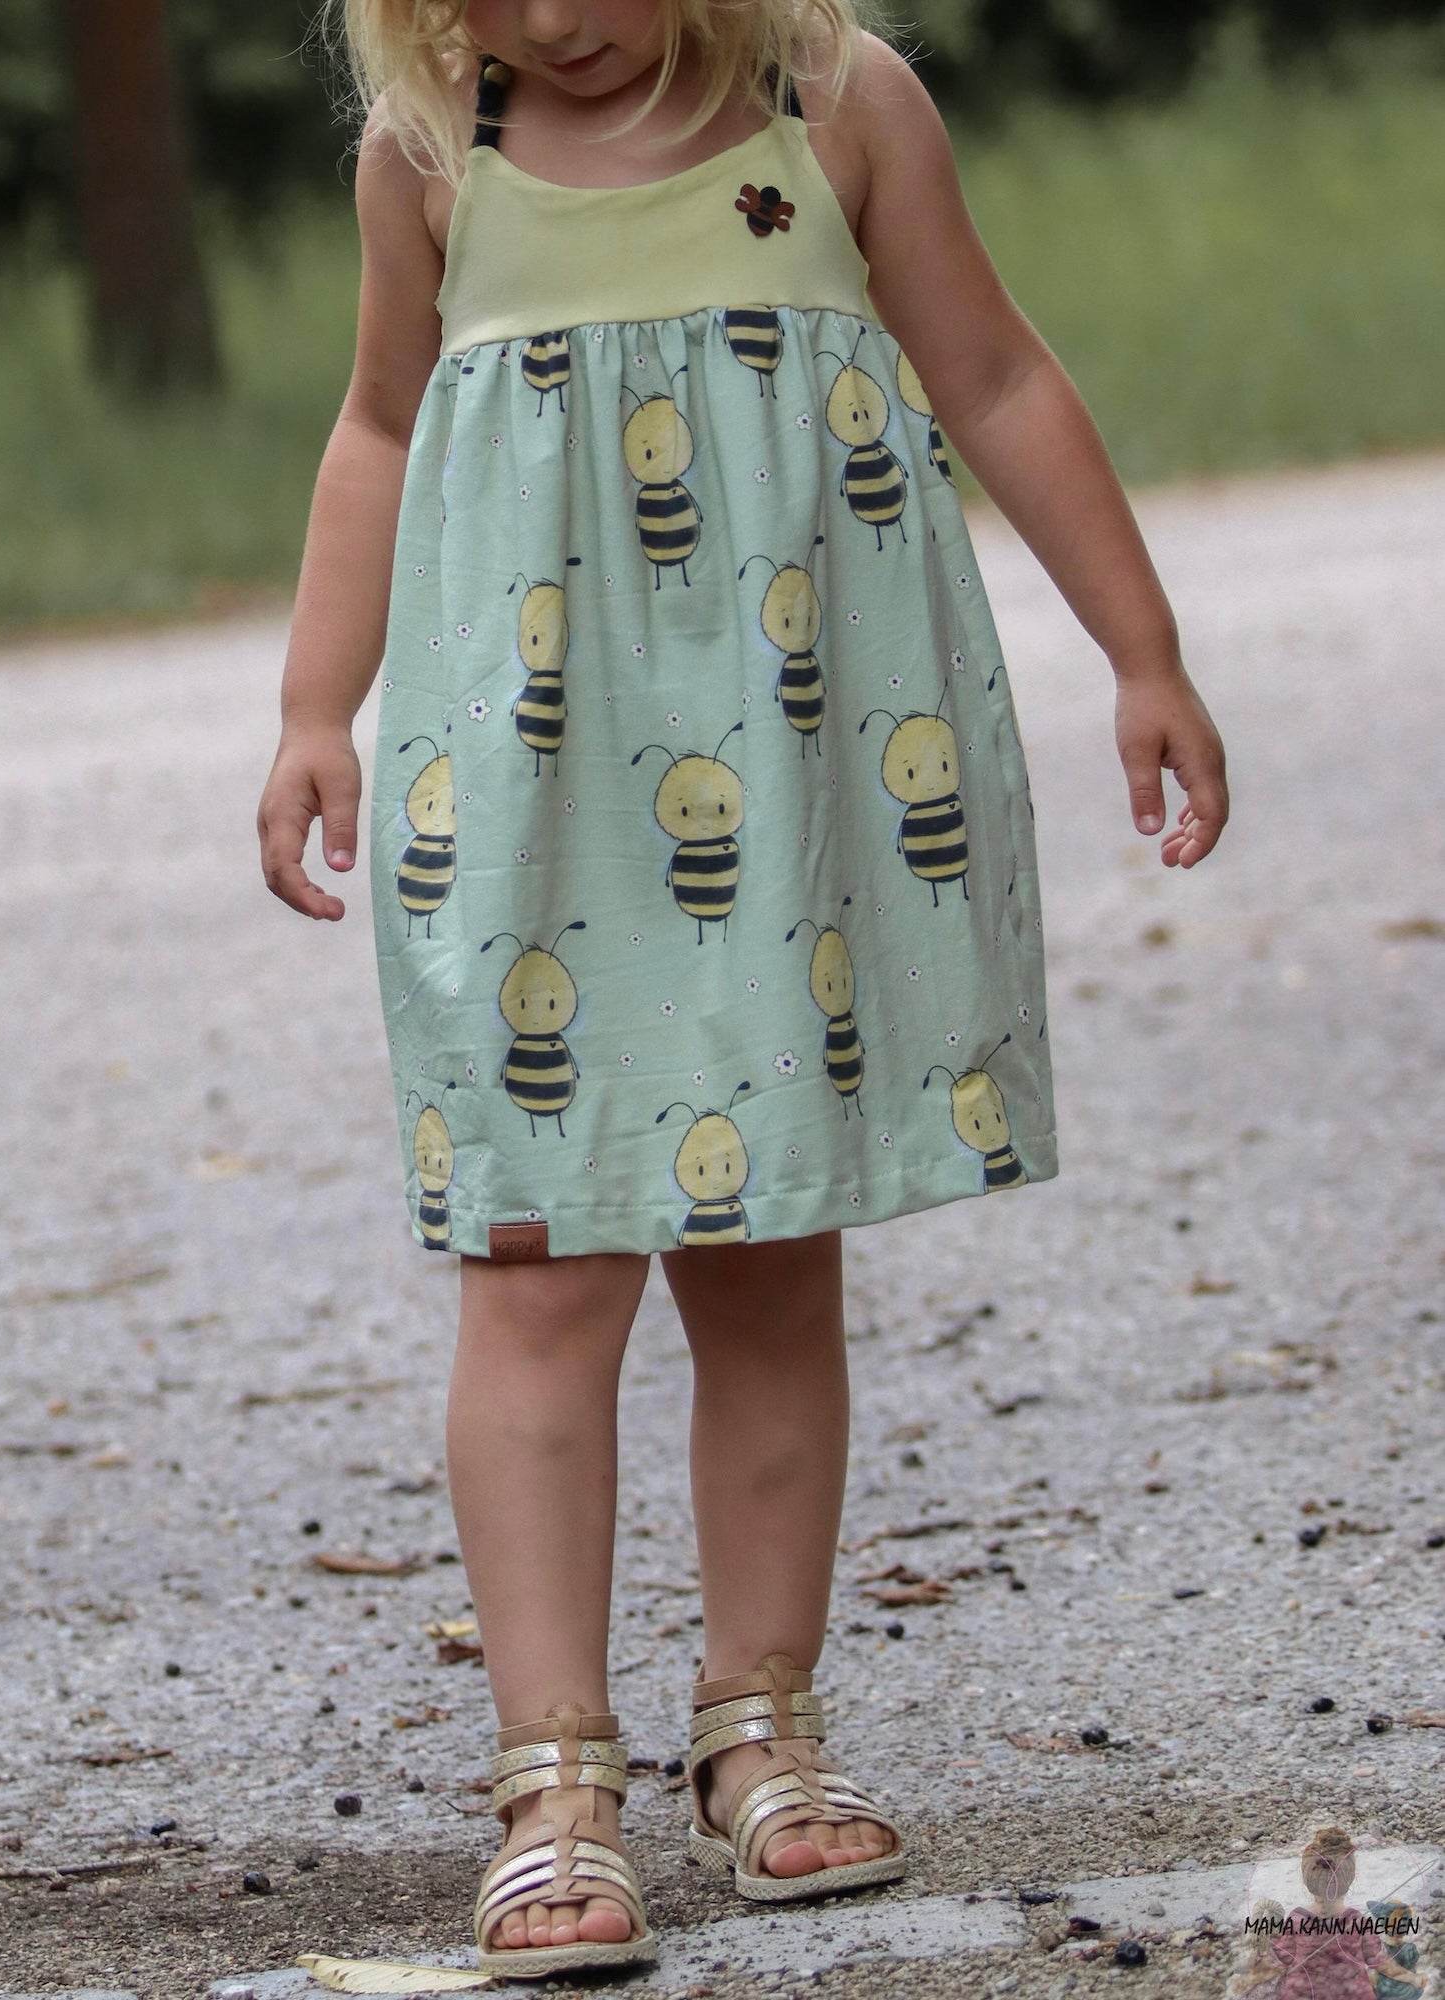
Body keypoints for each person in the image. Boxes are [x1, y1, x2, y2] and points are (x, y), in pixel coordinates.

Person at [256, 0, 1228, 1977]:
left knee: (773, 1254)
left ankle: (760, 1721)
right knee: (537, 1269)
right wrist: (311, 709)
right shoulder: (436, 154)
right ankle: (553, 1781)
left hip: (791, 781)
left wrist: (1144, 651)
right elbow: (375, 428)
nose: (556, 19)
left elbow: (995, 373)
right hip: (532, 797)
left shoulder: (836, 106)